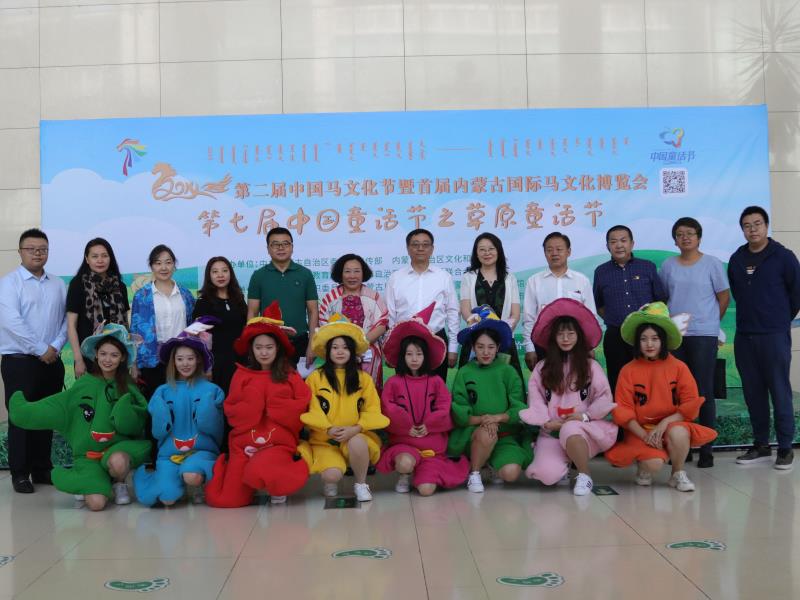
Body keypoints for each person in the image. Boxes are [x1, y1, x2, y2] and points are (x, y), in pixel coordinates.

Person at [10, 324, 150, 510]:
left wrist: (125, 412)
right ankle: (87, 479)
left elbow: (139, 419)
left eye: (114, 355)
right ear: (96, 354)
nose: (108, 359)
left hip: (116, 449)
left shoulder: (127, 385)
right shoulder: (84, 384)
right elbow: (59, 406)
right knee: (96, 504)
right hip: (88, 456)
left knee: (118, 462)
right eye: (103, 354)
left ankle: (119, 482)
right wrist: (23, 410)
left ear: (122, 357)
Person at [205, 302, 312, 508]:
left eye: (269, 347)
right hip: (243, 445)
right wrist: (252, 406)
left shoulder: (290, 375)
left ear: (278, 348)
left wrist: (277, 406)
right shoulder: (241, 375)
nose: (264, 352)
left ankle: (276, 478)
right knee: (226, 500)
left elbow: (303, 407)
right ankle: (243, 476)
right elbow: (231, 410)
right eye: (259, 347)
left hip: (278, 443)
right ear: (251, 349)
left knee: (259, 467)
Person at [605, 302, 717, 492]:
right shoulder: (628, 370)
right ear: (637, 342)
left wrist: (665, 423)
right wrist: (646, 436)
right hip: (640, 431)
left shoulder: (679, 367)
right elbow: (623, 410)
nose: (649, 344)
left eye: (655, 338)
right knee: (654, 464)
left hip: (671, 425)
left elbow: (690, 403)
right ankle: (644, 467)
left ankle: (677, 473)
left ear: (663, 340)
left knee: (679, 432)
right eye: (644, 339)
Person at [520, 298, 618, 496]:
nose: (566, 338)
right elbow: (536, 400)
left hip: (583, 428)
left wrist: (584, 416)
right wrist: (547, 422)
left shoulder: (591, 366)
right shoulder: (542, 368)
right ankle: (559, 464)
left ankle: (584, 474)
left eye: (571, 333)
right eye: (560, 334)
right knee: (546, 476)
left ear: (579, 336)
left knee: (571, 428)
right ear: (553, 338)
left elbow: (604, 397)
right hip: (551, 430)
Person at [728, 206, 800, 470]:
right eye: (747, 225)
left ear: (766, 226)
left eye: (757, 224)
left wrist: (778, 320)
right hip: (745, 336)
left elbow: (796, 294)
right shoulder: (737, 258)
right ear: (742, 230)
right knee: (753, 392)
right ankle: (760, 445)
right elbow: (738, 292)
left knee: (779, 391)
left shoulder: (783, 257)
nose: (752, 229)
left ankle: (785, 448)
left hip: (774, 336)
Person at [376, 303, 469, 495]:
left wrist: (429, 425)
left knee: (426, 490)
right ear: (402, 356)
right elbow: (388, 407)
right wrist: (406, 426)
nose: (414, 359)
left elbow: (444, 407)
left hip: (431, 444)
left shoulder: (436, 382)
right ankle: (405, 474)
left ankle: (425, 473)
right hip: (404, 441)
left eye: (419, 354)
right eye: (409, 354)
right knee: (404, 463)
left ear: (426, 356)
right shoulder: (393, 382)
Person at [0, 228, 67, 494]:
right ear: (20, 252)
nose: (37, 253)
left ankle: (42, 468)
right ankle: (20, 473)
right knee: (21, 417)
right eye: (31, 249)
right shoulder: (9, 283)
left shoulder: (58, 283)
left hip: (51, 361)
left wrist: (56, 346)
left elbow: (67, 320)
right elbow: (12, 322)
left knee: (46, 416)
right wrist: (41, 349)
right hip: (20, 362)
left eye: (43, 249)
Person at [660, 217, 730, 468]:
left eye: (690, 233)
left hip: (703, 334)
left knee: (703, 391)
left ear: (699, 237)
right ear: (675, 240)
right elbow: (664, 298)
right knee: (678, 392)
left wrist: (711, 323)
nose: (685, 238)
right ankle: (682, 448)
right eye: (680, 234)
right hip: (676, 335)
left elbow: (723, 296)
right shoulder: (668, 266)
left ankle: (707, 449)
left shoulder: (712, 264)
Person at [301, 314, 389, 502]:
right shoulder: (315, 378)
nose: (340, 352)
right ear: (327, 350)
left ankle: (361, 484)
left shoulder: (363, 379)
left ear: (352, 351)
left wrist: (355, 429)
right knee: (332, 475)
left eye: (345, 347)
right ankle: (330, 480)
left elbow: (372, 410)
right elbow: (311, 410)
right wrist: (328, 429)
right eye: (335, 347)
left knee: (357, 442)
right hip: (326, 439)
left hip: (356, 434)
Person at [133, 329, 225, 506]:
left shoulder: (212, 390)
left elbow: (216, 430)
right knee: (166, 499)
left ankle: (196, 482)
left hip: (201, 451)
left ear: (198, 360)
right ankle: (170, 482)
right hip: (170, 454)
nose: (185, 364)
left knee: (192, 475)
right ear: (173, 362)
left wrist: (207, 408)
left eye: (190, 358)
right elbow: (158, 433)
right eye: (180, 359)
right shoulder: (162, 391)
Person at [448, 306, 532, 493]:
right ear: (473, 348)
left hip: (505, 436)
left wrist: (498, 418)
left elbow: (518, 408)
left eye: (491, 347)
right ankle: (475, 472)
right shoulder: (464, 372)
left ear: (498, 348)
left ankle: (491, 463)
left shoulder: (508, 372)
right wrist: (485, 421)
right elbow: (459, 412)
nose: (486, 352)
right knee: (486, 433)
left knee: (510, 473)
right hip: (473, 434)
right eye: (480, 347)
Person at [593, 225, 667, 393]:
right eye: (613, 242)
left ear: (632, 244)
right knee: (618, 380)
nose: (619, 245)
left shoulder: (647, 267)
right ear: (607, 246)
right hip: (615, 335)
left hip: (645, 335)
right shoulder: (601, 272)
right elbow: (598, 304)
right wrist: (615, 319)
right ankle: (621, 410)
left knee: (648, 379)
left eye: (623, 240)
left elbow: (660, 299)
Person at [385, 229, 460, 382]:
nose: (420, 248)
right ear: (408, 248)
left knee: (435, 388)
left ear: (432, 249)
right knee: (405, 388)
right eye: (415, 244)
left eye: (425, 245)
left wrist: (453, 348)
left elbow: (453, 312)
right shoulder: (396, 278)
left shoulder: (443, 277)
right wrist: (390, 346)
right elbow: (390, 315)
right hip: (404, 341)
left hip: (436, 339)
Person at [522, 232, 596, 371]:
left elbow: (590, 317)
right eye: (549, 250)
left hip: (576, 344)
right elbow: (529, 318)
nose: (554, 253)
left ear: (568, 252)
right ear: (545, 253)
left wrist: (589, 346)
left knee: (577, 382)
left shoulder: (581, 281)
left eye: (559, 249)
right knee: (547, 381)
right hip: (544, 344)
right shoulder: (534, 281)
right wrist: (530, 348)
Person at [247, 227, 318, 369]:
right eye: (275, 244)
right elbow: (252, 312)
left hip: (299, 342)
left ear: (292, 247)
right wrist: (252, 343)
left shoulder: (305, 274)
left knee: (299, 381)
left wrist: (312, 344)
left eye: (285, 244)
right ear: (268, 249)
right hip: (269, 344)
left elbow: (313, 311)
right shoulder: (258, 276)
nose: (281, 248)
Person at [130, 245, 195, 398]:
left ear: (174, 265)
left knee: (180, 402)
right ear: (151, 266)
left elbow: (192, 326)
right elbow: (134, 331)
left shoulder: (185, 294)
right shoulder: (142, 296)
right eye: (158, 263)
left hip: (181, 359)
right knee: (156, 403)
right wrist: (133, 364)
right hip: (152, 359)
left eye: (168, 262)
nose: (163, 267)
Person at [319, 253, 388, 392]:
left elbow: (382, 324)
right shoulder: (330, 299)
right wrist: (347, 349)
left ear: (363, 273)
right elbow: (324, 326)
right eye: (347, 271)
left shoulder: (373, 296)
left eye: (357, 271)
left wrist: (361, 345)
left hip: (368, 354)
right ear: (340, 273)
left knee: (368, 393)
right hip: (339, 354)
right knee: (340, 391)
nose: (352, 276)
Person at [459, 232, 522, 379]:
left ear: (498, 251)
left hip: (503, 341)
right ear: (476, 253)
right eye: (482, 249)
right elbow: (465, 310)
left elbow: (515, 314)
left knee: (507, 383)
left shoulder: (509, 278)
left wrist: (503, 332)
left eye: (491, 249)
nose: (487, 253)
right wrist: (477, 328)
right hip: (476, 342)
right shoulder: (468, 277)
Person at [66, 237, 130, 379]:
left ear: (110, 258)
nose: (100, 260)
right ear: (87, 259)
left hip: (116, 357)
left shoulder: (120, 286)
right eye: (95, 256)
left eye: (104, 256)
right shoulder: (78, 285)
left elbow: (126, 325)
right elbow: (71, 325)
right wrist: (78, 360)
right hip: (88, 357)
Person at [192, 256, 247, 394]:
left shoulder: (239, 299)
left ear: (230, 273)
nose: (220, 275)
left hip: (240, 362)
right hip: (216, 364)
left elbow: (246, 328)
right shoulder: (203, 302)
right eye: (215, 272)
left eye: (224, 270)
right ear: (209, 276)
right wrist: (206, 366)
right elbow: (198, 339)